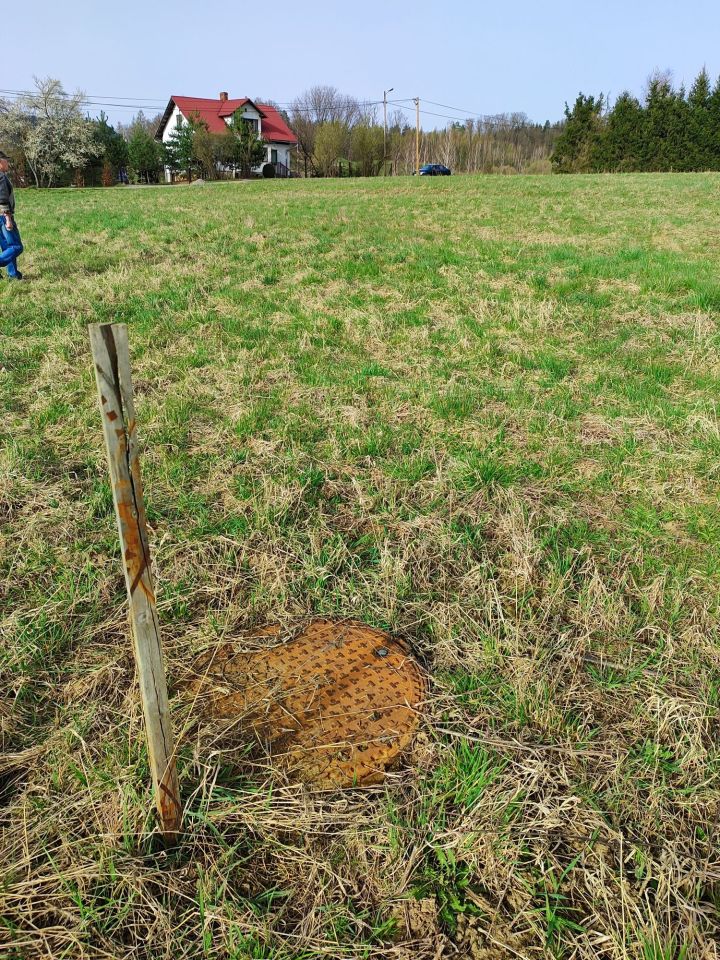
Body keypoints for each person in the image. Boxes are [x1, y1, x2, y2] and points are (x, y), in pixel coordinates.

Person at [0, 150, 24, 281]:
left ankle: (13, 275)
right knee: (16, 246)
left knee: (6, 247)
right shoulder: (1, 177)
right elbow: (3, 199)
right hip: (3, 216)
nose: (7, 163)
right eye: (6, 160)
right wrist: (8, 218)